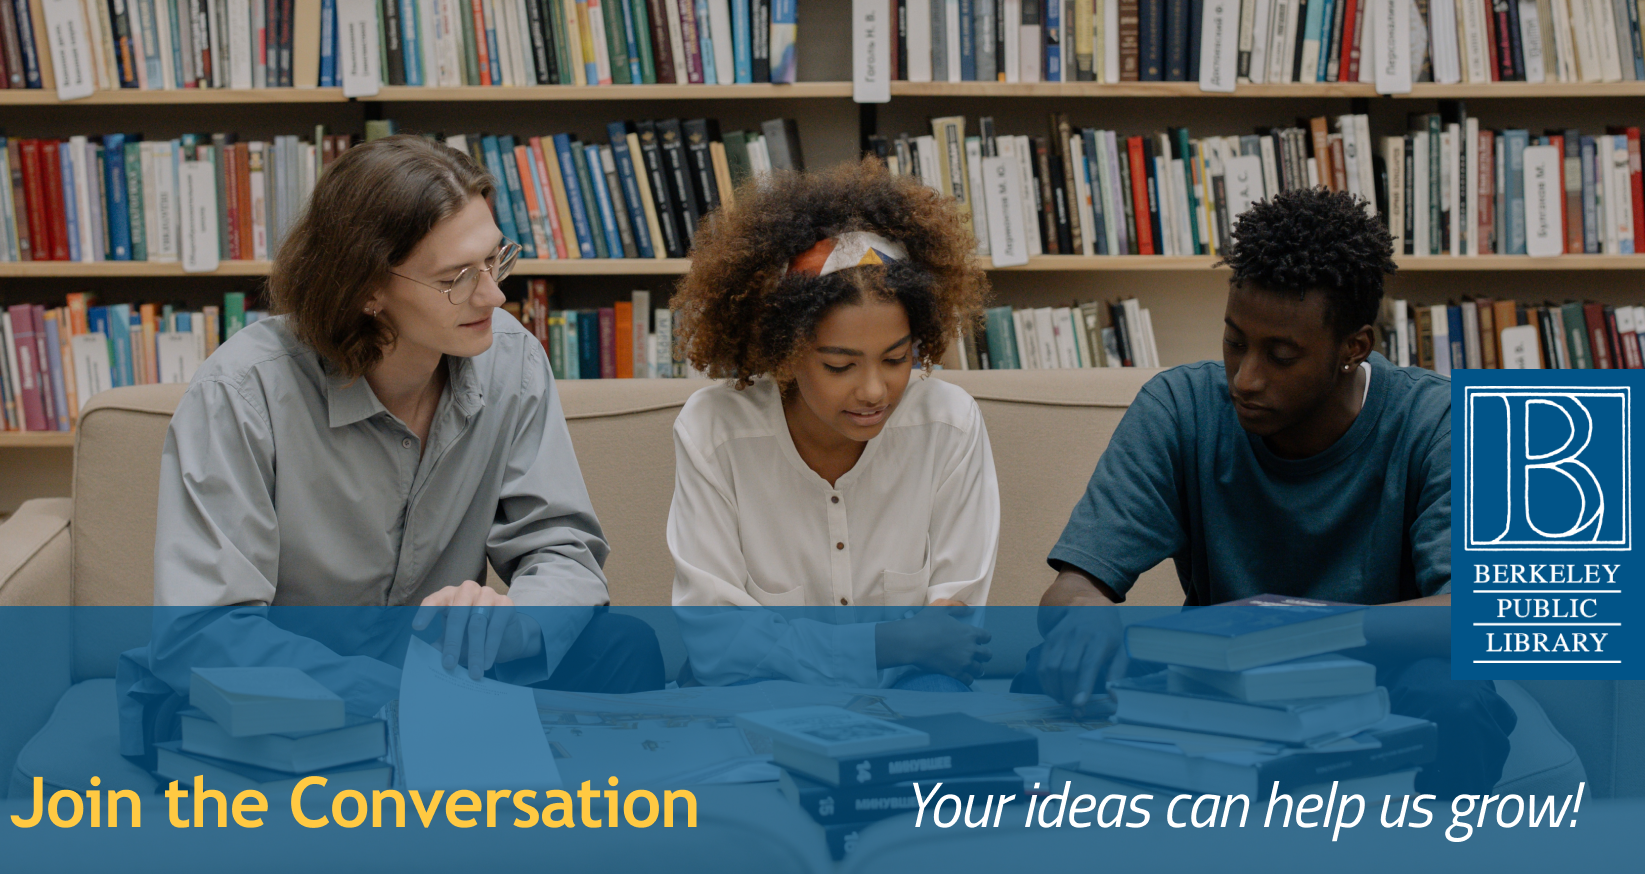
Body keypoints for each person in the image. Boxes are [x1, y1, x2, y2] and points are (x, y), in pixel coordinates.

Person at [129, 137, 661, 759]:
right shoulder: (242, 392)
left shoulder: (509, 358)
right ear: (365, 289)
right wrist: (404, 694)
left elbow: (562, 548)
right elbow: (203, 633)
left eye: (495, 261)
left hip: (441, 674)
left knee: (626, 647)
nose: (493, 296)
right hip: (299, 687)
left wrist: (514, 621)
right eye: (457, 278)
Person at [1025, 188, 1515, 795]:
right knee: (1047, 670)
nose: (1246, 378)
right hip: (1223, 681)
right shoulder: (1180, 408)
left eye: (1281, 355)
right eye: (1235, 342)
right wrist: (1084, 621)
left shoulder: (1437, 420)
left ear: (1354, 348)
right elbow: (1074, 587)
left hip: (1384, 677)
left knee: (1457, 698)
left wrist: (1288, 630)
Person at [665, 160, 997, 690]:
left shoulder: (949, 424)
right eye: (840, 366)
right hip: (758, 705)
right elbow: (717, 644)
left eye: (895, 359)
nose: (873, 390)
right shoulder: (714, 432)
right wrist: (888, 644)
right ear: (786, 353)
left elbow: (952, 637)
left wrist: (789, 649)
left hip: (912, 698)